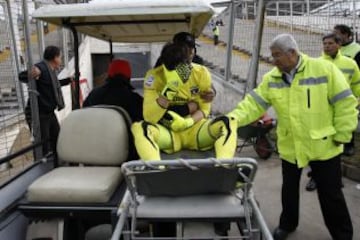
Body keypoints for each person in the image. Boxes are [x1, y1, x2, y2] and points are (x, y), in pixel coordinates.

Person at [227, 34, 356, 240]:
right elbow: (253, 104)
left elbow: (345, 103)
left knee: (331, 195)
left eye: (277, 55)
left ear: (292, 53)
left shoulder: (324, 69)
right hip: (291, 146)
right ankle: (287, 223)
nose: (273, 60)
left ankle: (343, 235)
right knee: (288, 190)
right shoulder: (272, 78)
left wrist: (342, 133)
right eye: (272, 56)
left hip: (323, 145)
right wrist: (230, 120)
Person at [306, 33, 360, 191]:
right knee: (317, 147)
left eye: (330, 43)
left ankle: (335, 179)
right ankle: (314, 177)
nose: (327, 46)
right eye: (325, 44)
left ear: (339, 44)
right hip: (320, 113)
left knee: (336, 148)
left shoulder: (350, 64)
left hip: (341, 112)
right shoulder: (316, 63)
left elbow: (357, 85)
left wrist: (356, 102)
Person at [19, 46, 72, 158]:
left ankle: (56, 164)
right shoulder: (41, 67)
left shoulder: (50, 70)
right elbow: (21, 76)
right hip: (40, 116)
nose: (61, 60)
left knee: (57, 140)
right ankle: (43, 168)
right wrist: (33, 73)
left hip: (50, 113)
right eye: (60, 57)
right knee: (44, 147)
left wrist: (68, 80)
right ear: (55, 58)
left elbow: (53, 85)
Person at [334, 24, 360, 156]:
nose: (335, 35)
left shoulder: (356, 50)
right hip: (335, 92)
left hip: (350, 92)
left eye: (337, 33)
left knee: (348, 118)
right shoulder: (336, 49)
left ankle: (349, 145)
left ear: (346, 35)